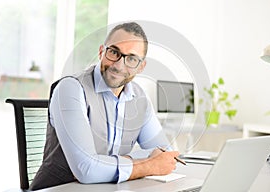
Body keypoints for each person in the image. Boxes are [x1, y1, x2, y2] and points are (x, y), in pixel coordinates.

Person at [30, 22, 180, 190]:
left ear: (141, 66)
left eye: (131, 58)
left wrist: (107, 165)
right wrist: (148, 164)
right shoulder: (71, 88)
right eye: (114, 52)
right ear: (102, 51)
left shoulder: (140, 98)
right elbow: (86, 170)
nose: (118, 65)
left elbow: (165, 155)